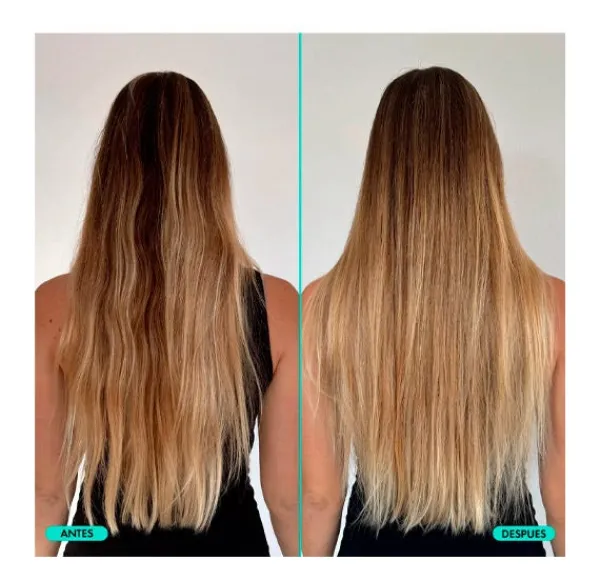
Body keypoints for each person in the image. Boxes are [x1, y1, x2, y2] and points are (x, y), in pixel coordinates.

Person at [302, 67, 565, 557]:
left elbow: (318, 497)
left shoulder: (326, 304)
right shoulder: (552, 306)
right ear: (484, 164)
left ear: (381, 169)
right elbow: (565, 499)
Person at [35, 72, 298, 557]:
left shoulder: (54, 305)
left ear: (111, 174)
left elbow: (46, 495)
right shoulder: (278, 306)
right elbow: (290, 499)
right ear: (211, 172)